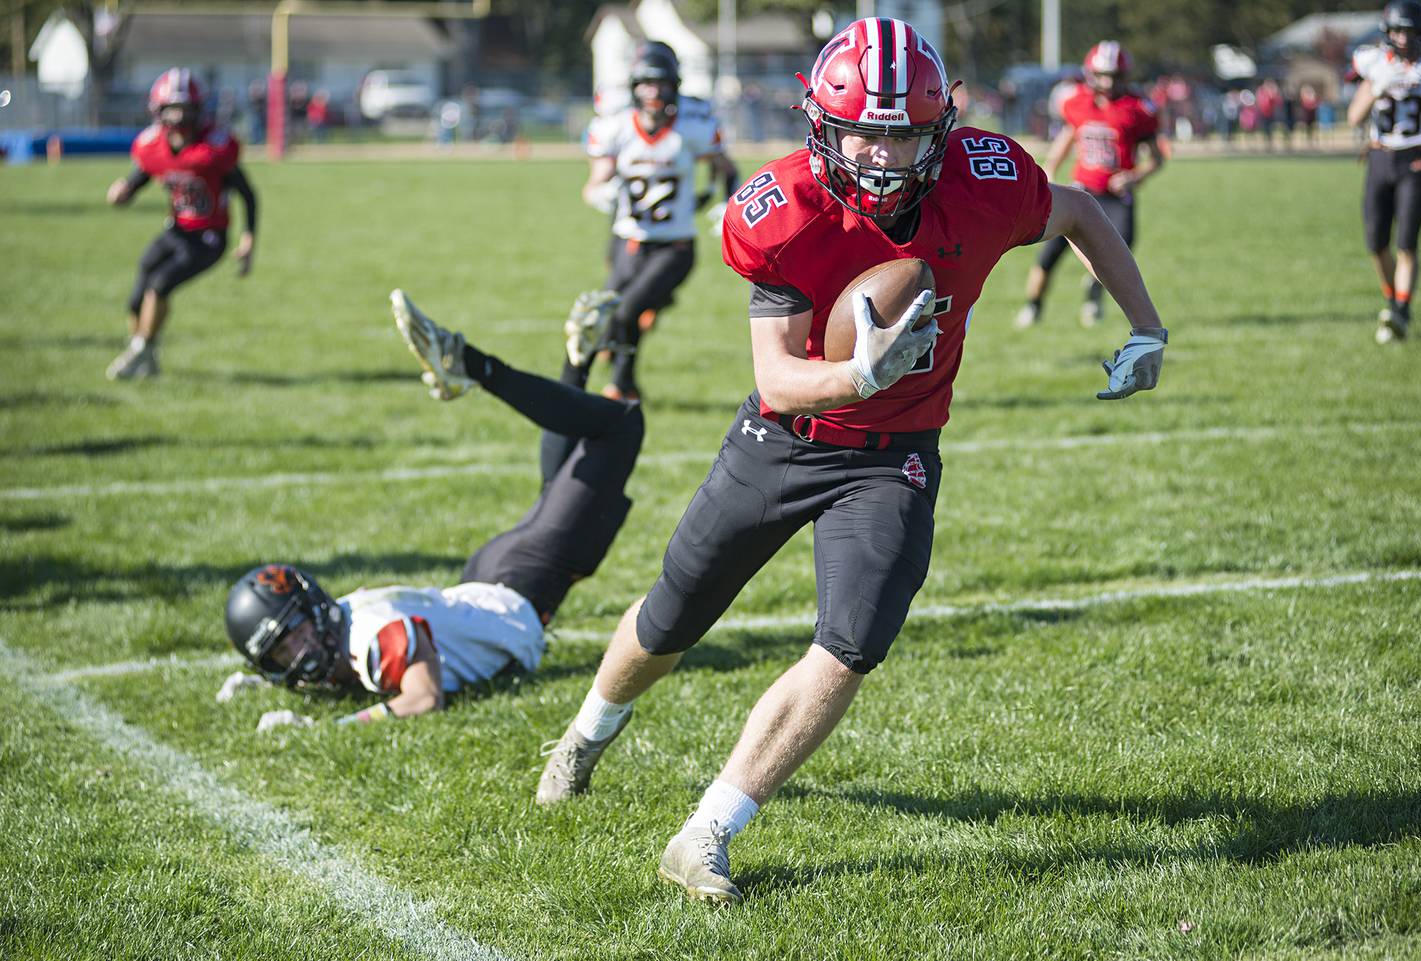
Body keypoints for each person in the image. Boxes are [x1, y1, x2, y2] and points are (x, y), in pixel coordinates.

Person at [533, 17, 1169, 904]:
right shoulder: (784, 211)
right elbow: (779, 378)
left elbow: (1079, 209)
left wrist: (1146, 324)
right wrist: (857, 372)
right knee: (673, 616)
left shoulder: (984, 181)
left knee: (853, 639)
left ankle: (708, 829)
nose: (878, 153)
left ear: (937, 131)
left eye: (900, 131)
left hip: (896, 454)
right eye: (862, 131)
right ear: (821, 127)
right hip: (783, 441)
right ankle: (585, 736)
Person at [221, 291, 645, 729]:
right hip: (497, 583)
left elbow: (423, 697)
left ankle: (477, 365)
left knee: (620, 425)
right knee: (578, 469)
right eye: (281, 654)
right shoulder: (342, 625)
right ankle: (573, 364)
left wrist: (326, 727)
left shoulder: (372, 634)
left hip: (515, 585)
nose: (298, 655)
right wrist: (267, 683)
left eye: (295, 638)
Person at [562, 40, 739, 402]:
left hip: (674, 246)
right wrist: (600, 192)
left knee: (626, 312)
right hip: (630, 242)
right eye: (646, 84)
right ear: (634, 87)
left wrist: (726, 203)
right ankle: (584, 387)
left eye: (660, 84)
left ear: (674, 86)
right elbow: (594, 182)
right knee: (606, 316)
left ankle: (620, 385)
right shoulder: (619, 128)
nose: (654, 93)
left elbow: (727, 168)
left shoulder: (691, 127)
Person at [105, 68, 257, 380]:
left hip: (208, 237)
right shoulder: (153, 147)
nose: (177, 118)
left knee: (160, 285)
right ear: (158, 111)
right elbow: (140, 178)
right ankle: (147, 355)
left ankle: (138, 352)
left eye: (184, 109)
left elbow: (248, 193)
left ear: (198, 111)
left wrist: (248, 239)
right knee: (138, 293)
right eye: (171, 110)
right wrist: (123, 193)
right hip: (176, 230)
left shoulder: (213, 149)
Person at [1015, 42, 1164, 329]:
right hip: (1080, 190)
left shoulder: (1137, 108)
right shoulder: (1078, 101)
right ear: (1091, 73)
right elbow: (1069, 136)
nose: (1108, 82)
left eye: (1115, 76)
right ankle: (1033, 307)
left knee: (1116, 256)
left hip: (1117, 196)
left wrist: (1136, 176)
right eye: (1103, 74)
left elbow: (1157, 158)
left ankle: (1094, 294)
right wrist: (1049, 169)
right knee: (1047, 255)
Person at [1347, 0, 1421, 344]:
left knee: (1407, 242)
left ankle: (1401, 310)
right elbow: (1354, 117)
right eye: (1399, 31)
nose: (1404, 38)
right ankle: (1391, 297)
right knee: (1376, 241)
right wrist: (1376, 87)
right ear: (1387, 33)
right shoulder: (1374, 65)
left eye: (1412, 32)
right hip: (1380, 157)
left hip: (1416, 156)